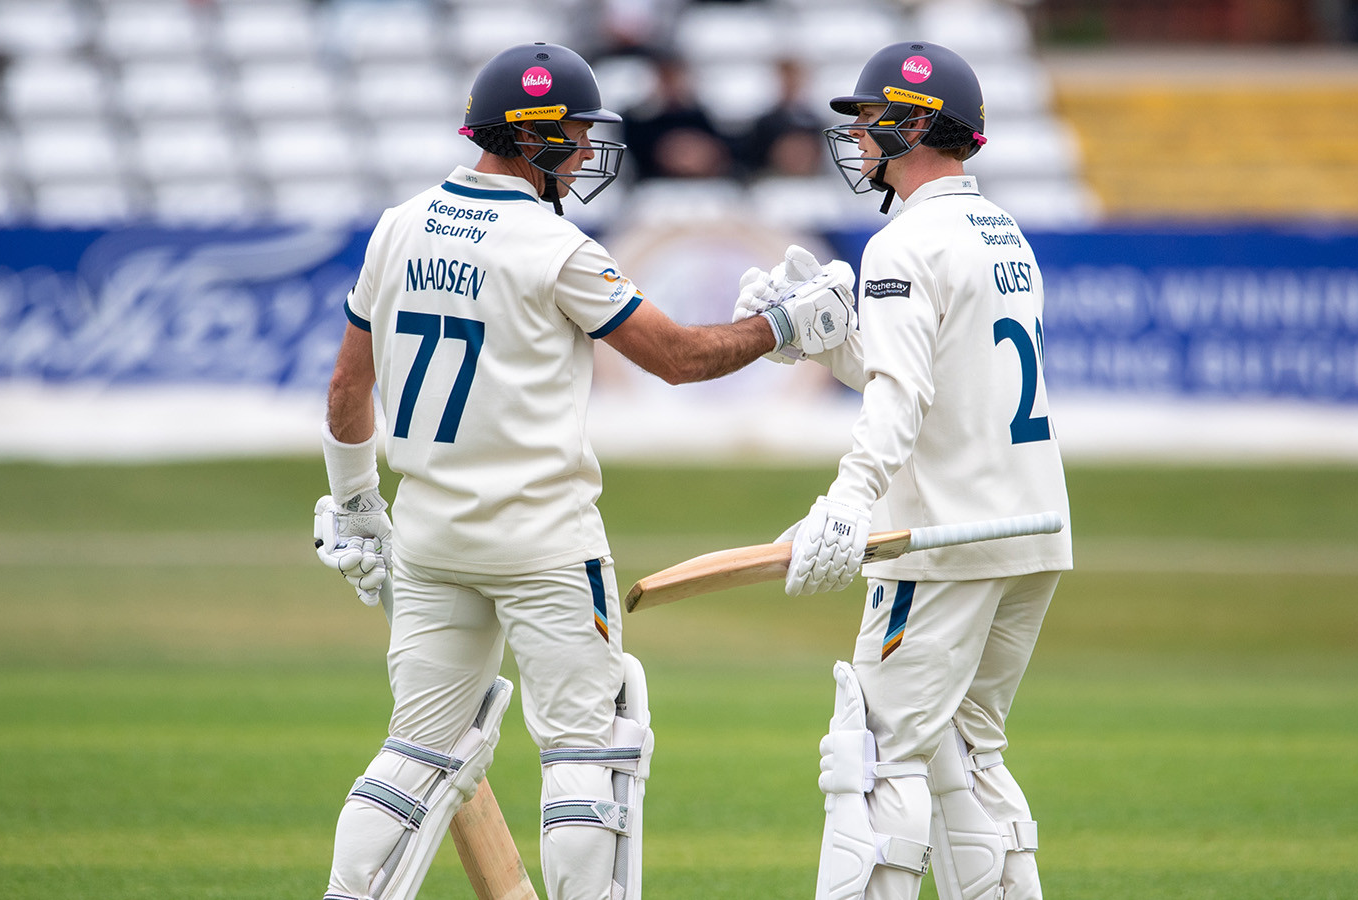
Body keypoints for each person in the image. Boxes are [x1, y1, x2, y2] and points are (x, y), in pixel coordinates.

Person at [309, 41, 855, 900]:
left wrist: (352, 503)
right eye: (571, 133)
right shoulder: (555, 245)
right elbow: (675, 358)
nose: (584, 150)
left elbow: (348, 386)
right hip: (544, 541)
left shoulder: (399, 224)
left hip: (429, 533)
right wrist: (783, 328)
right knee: (586, 753)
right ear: (530, 140)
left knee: (413, 751)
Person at [739, 41, 1073, 900]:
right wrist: (825, 341)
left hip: (940, 541)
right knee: (969, 751)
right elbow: (932, 379)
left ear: (912, 125)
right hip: (1030, 531)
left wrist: (847, 504)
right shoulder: (1002, 233)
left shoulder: (904, 243)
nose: (855, 141)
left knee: (872, 756)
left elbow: (900, 396)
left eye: (866, 122)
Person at [619, 47, 734, 180]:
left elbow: (722, 151)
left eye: (675, 78)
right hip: (656, 183)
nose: (672, 85)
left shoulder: (699, 116)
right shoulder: (639, 120)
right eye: (665, 78)